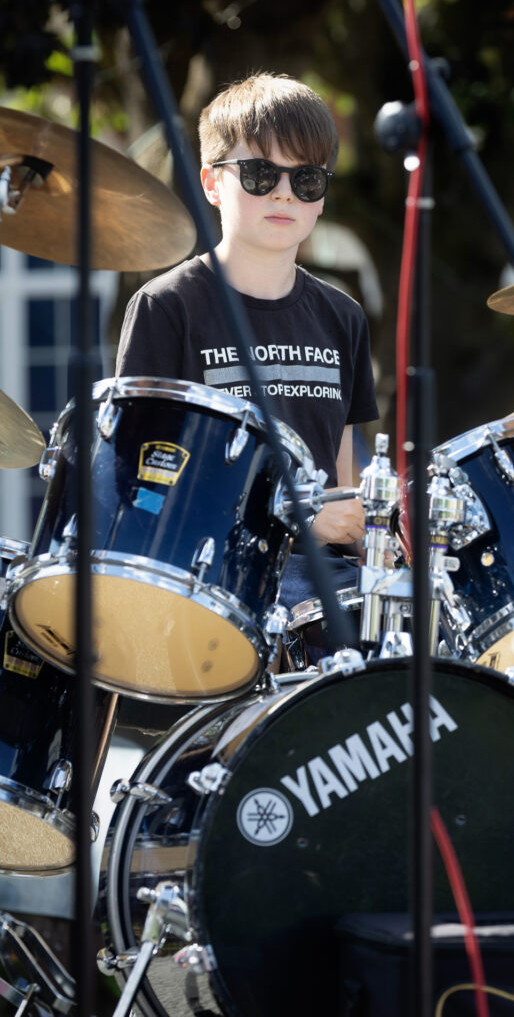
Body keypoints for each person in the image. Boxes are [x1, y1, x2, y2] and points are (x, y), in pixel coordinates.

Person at [116, 72, 379, 627]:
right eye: (261, 174)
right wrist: (297, 514)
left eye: (306, 179)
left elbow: (342, 469)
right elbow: (140, 484)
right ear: (212, 183)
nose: (284, 193)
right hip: (209, 579)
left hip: (328, 585)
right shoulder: (166, 307)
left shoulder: (343, 316)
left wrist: (372, 526)